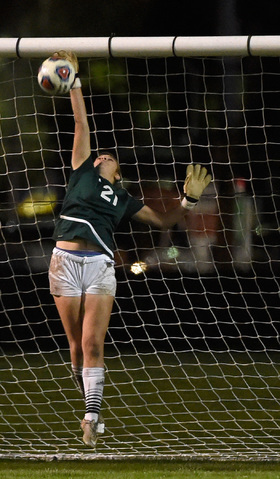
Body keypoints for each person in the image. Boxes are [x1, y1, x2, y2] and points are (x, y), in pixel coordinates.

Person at [48, 51, 212, 448]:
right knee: (74, 346)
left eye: (108, 157)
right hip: (65, 260)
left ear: (117, 172)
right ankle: (86, 394)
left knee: (92, 343)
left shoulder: (123, 197)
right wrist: (76, 81)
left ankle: (91, 418)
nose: (101, 154)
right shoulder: (81, 168)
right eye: (99, 153)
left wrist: (188, 201)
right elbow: (81, 121)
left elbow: (164, 221)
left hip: (101, 264)